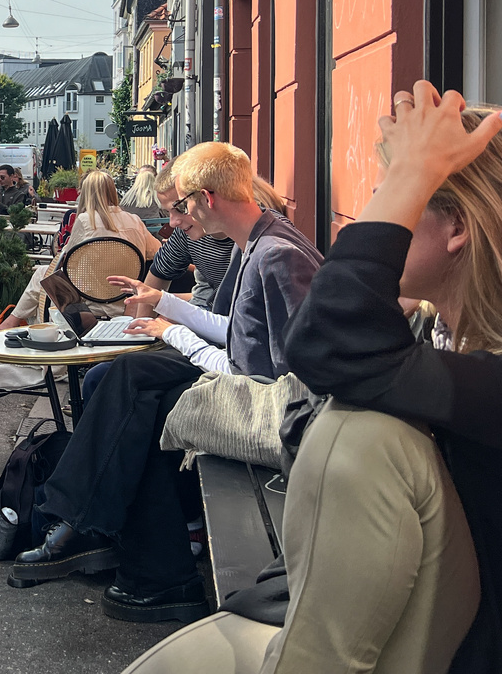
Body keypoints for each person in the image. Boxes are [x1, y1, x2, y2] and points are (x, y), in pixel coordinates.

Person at [134, 84, 502, 673]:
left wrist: (411, 177)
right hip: (408, 615)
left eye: (392, 199)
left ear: (454, 226)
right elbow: (322, 364)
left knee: (357, 437)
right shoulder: (439, 334)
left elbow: (321, 342)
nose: (377, 212)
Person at [11, 141, 323, 624]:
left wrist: (171, 330)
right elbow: (239, 335)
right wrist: (163, 304)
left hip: (262, 411)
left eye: (180, 208)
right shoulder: (259, 241)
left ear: (207, 198)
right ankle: (142, 564)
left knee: (132, 389)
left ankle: (91, 529)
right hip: (242, 384)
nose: (175, 221)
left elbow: (274, 383)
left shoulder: (275, 254)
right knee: (120, 385)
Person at [0, 170, 161, 329]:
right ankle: (13, 321)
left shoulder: (85, 220)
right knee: (43, 273)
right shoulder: (134, 220)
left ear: (85, 194)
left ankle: (14, 321)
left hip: (90, 300)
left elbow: (66, 260)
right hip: (125, 299)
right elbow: (156, 252)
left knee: (43, 274)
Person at [143, 161, 235, 310]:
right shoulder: (188, 234)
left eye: (181, 208)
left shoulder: (255, 237)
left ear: (206, 197)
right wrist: (142, 329)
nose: (172, 222)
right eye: (168, 213)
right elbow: (159, 272)